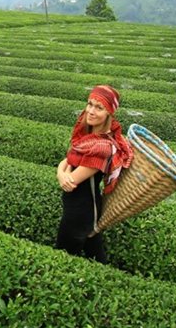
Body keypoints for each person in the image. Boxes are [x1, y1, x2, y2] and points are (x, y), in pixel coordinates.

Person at [55, 85, 133, 262]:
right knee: (96, 257)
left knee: (63, 256)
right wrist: (61, 171)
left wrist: (61, 174)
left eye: (99, 108)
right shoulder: (88, 136)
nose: (90, 111)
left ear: (109, 113)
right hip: (79, 207)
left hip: (82, 212)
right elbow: (68, 161)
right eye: (90, 104)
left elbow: (71, 181)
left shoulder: (102, 147)